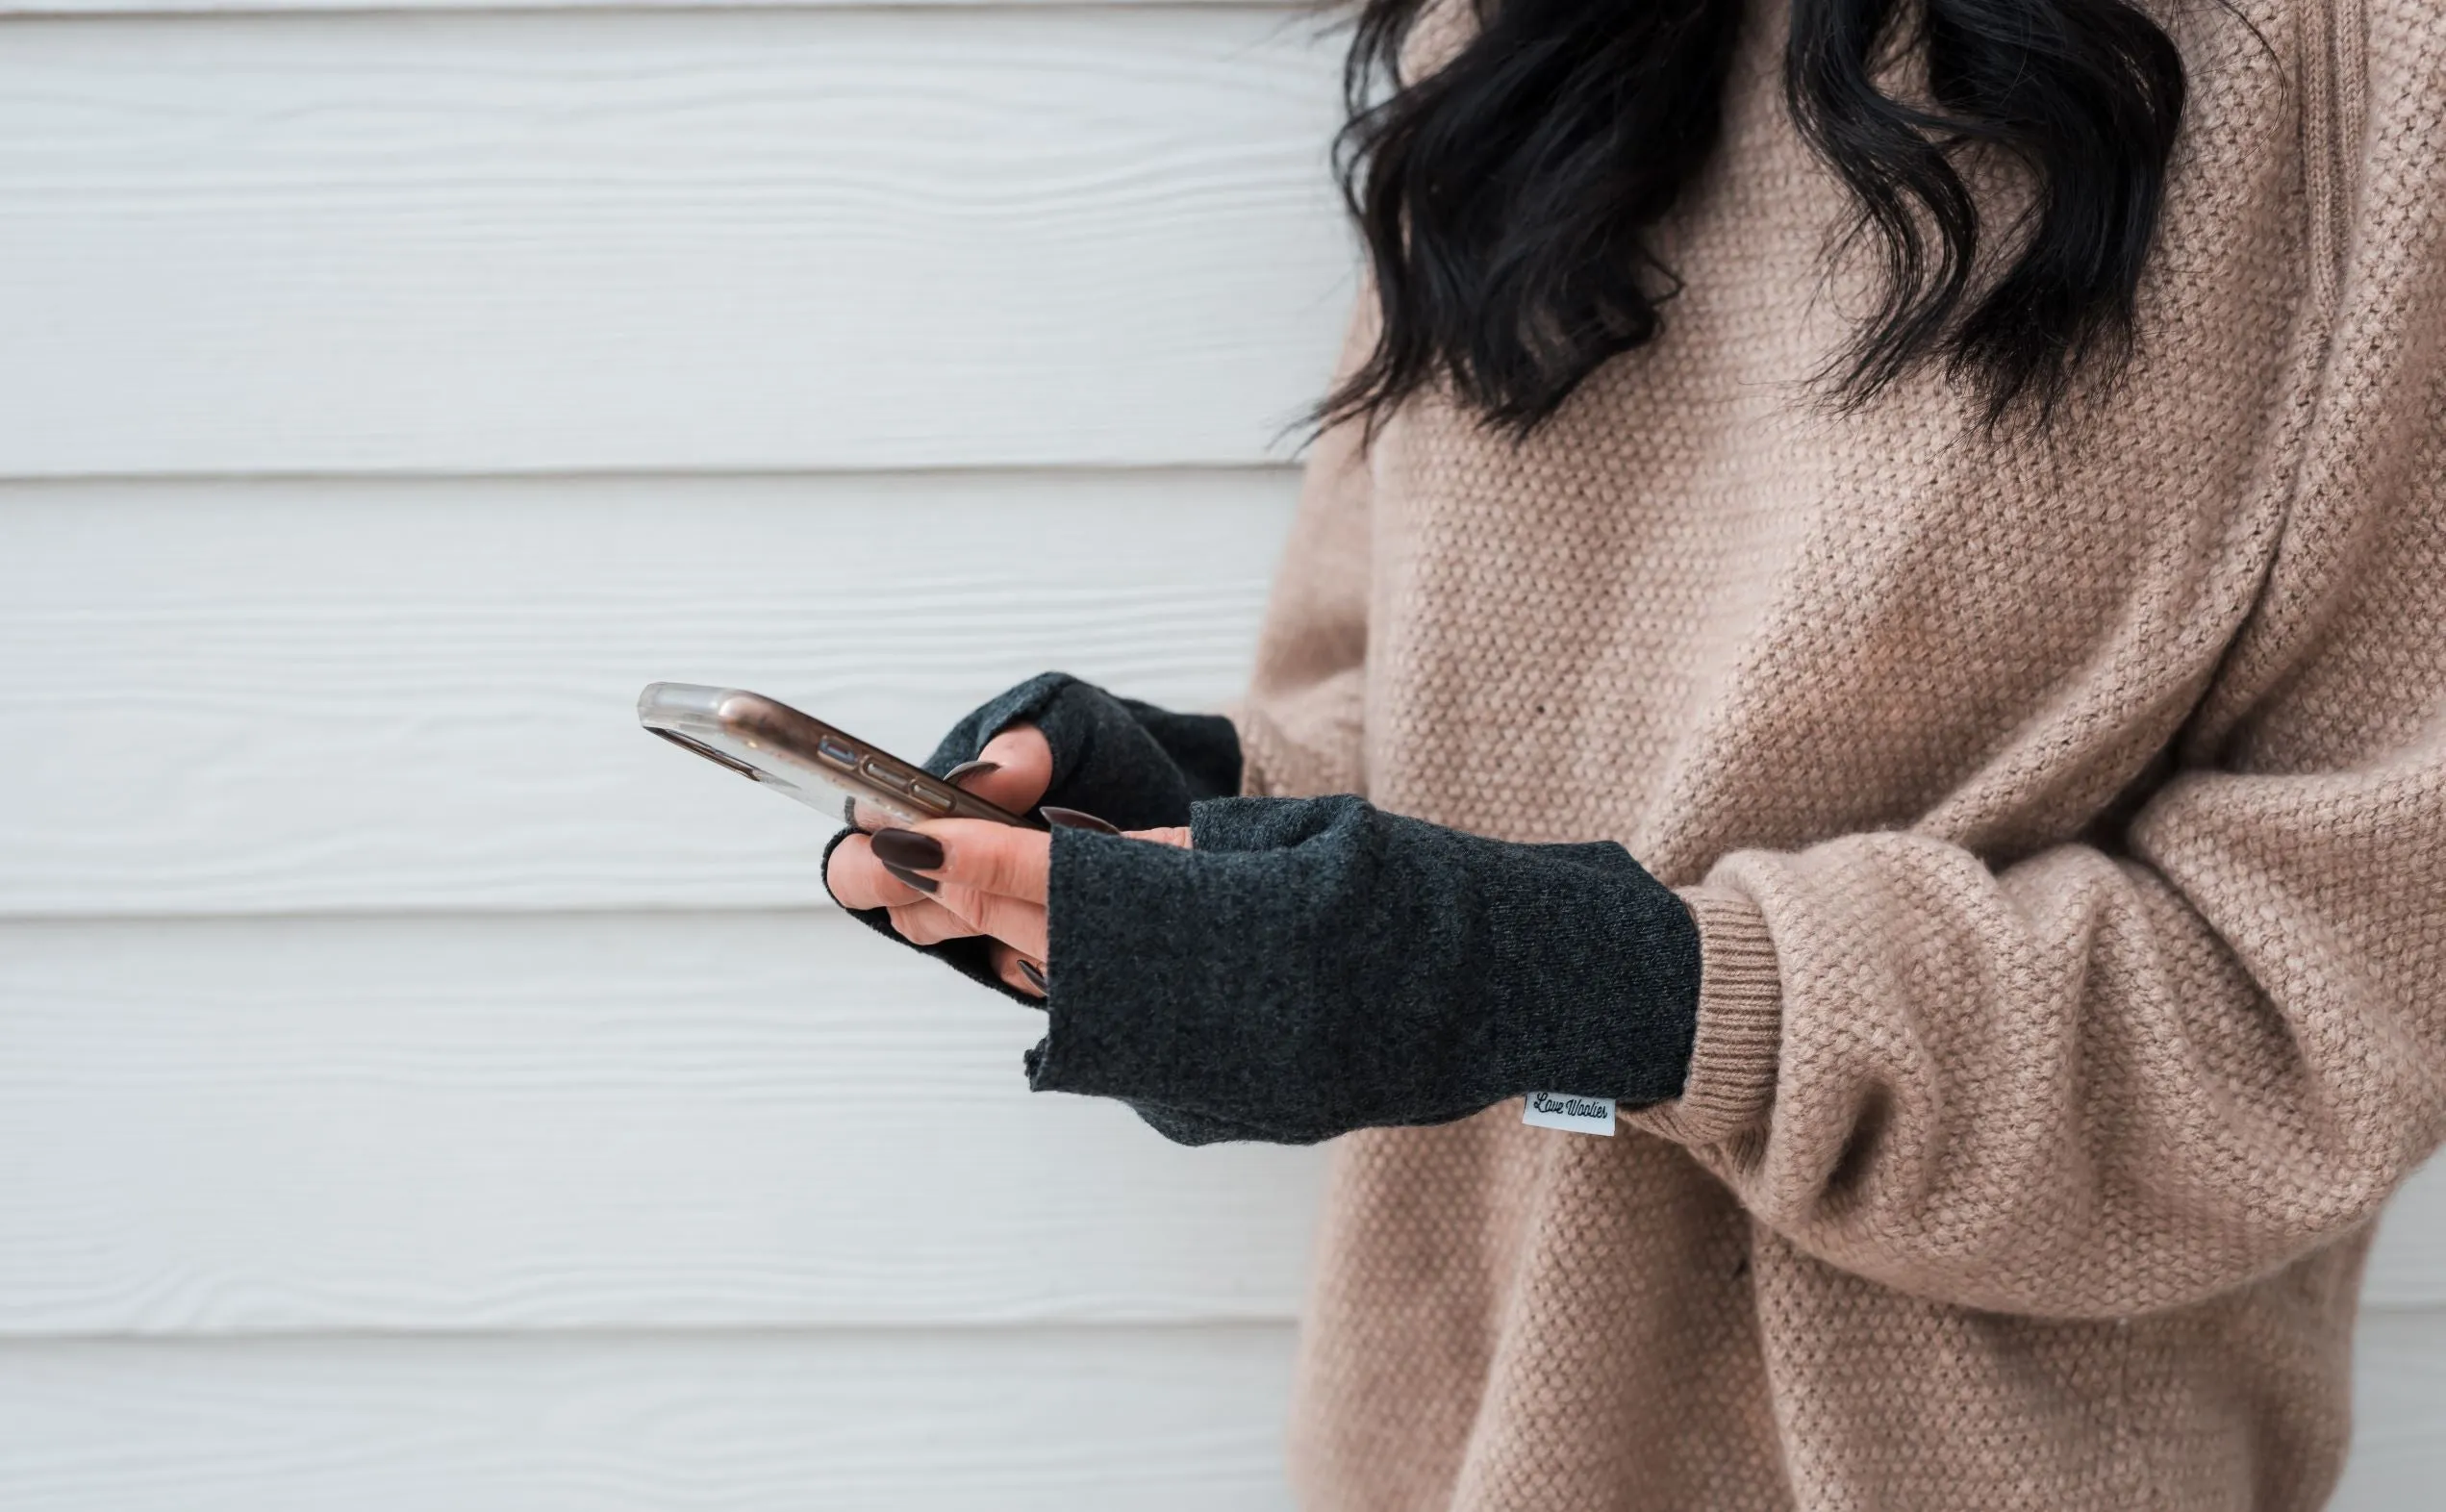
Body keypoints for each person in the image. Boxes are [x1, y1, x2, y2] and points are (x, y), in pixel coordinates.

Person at [826, 0, 2446, 1504]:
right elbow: (1411, 696)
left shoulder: (2365, 73)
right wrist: (1199, 811)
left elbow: (2337, 979)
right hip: (1435, 1439)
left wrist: (1601, 985)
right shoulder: (1503, 39)